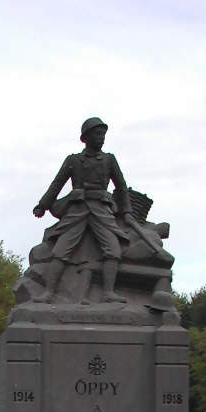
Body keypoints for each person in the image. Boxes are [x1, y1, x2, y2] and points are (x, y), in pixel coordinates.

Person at [32, 117, 133, 303]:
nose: (102, 137)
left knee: (113, 249)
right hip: (77, 209)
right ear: (85, 138)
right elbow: (57, 183)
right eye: (97, 133)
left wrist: (126, 212)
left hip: (102, 209)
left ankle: (108, 292)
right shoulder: (74, 160)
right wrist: (43, 205)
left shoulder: (109, 160)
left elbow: (121, 186)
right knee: (61, 249)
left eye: (103, 134)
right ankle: (49, 292)